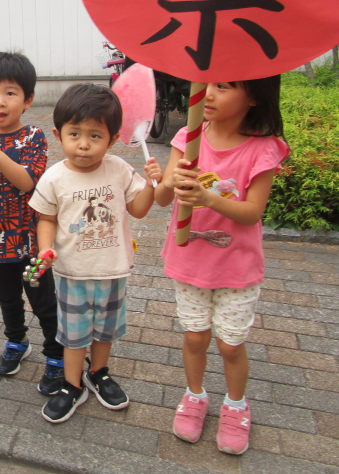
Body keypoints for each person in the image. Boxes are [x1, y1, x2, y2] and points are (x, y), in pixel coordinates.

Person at [154, 76, 289, 455]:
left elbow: (252, 212)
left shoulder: (263, 150)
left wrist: (207, 198)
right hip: (190, 259)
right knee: (195, 336)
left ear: (253, 97)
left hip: (236, 268)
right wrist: (169, 182)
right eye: (208, 83)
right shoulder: (187, 138)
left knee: (231, 345)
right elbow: (164, 197)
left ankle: (235, 404)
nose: (208, 93)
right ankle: (194, 395)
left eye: (225, 86)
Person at [29, 84, 162, 423]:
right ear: (59, 135)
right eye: (75, 134)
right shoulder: (54, 177)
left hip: (112, 270)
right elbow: (45, 219)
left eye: (95, 136)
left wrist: (152, 185)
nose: (84, 144)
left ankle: (98, 373)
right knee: (74, 337)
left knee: (105, 331)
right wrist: (45, 248)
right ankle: (71, 385)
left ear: (112, 139)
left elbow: (140, 209)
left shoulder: (118, 169)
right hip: (72, 273)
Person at [0, 51, 65, 395]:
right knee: (7, 299)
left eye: (10, 93)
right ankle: (16, 341)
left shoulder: (33, 137)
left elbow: (27, 182)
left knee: (44, 302)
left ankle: (56, 353)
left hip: (30, 242)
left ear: (28, 99)